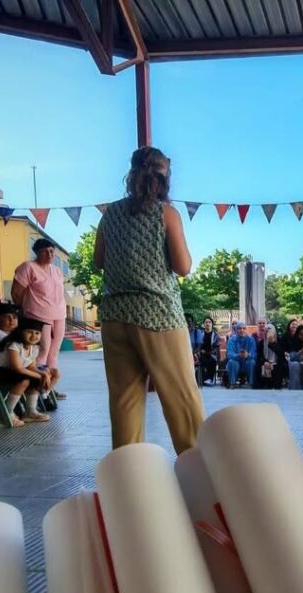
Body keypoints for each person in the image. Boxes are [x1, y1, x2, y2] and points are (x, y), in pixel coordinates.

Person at [93, 146, 203, 453]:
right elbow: (183, 267)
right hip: (158, 315)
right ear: (165, 177)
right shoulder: (166, 213)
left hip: (115, 315)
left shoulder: (110, 213)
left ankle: (128, 474)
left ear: (131, 174)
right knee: (182, 401)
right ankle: (200, 472)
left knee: (124, 404)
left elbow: (99, 261)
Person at [12, 237, 66, 398]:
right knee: (42, 351)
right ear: (36, 252)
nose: (50, 255)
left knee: (54, 353)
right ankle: (36, 389)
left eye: (52, 251)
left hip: (59, 314)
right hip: (38, 314)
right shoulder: (28, 267)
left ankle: (49, 387)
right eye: (45, 251)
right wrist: (24, 312)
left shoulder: (56, 270)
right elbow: (16, 293)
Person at [0, 317, 54, 426]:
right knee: (23, 380)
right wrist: (40, 376)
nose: (34, 336)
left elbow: (31, 366)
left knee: (35, 378)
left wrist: (43, 374)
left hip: (8, 370)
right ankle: (5, 414)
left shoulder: (34, 347)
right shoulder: (14, 345)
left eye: (37, 333)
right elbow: (18, 368)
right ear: (20, 332)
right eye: (29, 332)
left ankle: (30, 412)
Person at [255, 324, 287, 389]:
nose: (268, 333)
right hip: (266, 362)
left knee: (280, 367)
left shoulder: (279, 341)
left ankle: (277, 386)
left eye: (270, 331)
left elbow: (281, 355)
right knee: (258, 367)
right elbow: (259, 356)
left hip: (277, 362)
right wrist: (265, 362)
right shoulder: (261, 343)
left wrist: (272, 343)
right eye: (267, 331)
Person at [226, 322, 257, 388]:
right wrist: (238, 355)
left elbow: (254, 354)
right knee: (231, 362)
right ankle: (232, 383)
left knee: (251, 362)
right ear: (236, 330)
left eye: (244, 328)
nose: (242, 330)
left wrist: (247, 355)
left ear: (246, 330)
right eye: (239, 328)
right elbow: (229, 354)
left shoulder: (251, 340)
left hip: (247, 363)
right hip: (236, 363)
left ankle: (251, 383)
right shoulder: (231, 340)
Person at [195, 317, 220, 386]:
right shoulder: (201, 334)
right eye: (206, 322)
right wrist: (200, 351)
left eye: (209, 322)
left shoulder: (215, 335)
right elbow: (198, 345)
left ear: (212, 324)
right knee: (202, 360)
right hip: (201, 354)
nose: (207, 324)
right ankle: (202, 379)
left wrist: (209, 353)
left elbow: (216, 347)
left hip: (212, 354)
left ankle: (210, 379)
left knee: (212, 360)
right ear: (204, 324)